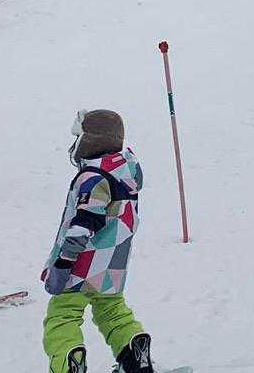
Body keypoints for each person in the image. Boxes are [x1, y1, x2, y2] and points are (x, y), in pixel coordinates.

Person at [42, 108, 153, 373]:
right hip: (113, 262)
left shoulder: (93, 178)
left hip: (82, 262)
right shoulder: (124, 174)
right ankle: (134, 354)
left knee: (63, 314)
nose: (75, 144)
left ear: (91, 140)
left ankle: (68, 362)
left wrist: (63, 262)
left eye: (78, 137)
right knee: (111, 309)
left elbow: (84, 224)